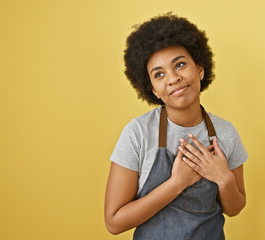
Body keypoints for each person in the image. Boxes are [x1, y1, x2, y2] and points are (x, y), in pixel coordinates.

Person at [104, 12, 248, 240]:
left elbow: (235, 207)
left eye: (180, 65)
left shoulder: (225, 132)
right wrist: (177, 183)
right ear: (153, 90)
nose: (172, 78)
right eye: (159, 74)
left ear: (200, 70)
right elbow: (114, 222)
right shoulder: (138, 133)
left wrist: (224, 178)